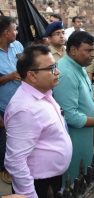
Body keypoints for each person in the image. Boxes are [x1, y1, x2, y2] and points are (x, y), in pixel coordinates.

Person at [4, 45, 72, 198]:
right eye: (51, 68)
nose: (58, 72)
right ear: (32, 76)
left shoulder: (44, 94)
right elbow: (15, 161)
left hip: (51, 178)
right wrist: (29, 195)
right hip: (37, 184)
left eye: (56, 66)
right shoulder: (25, 109)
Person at [53, 31, 94, 181]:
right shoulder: (66, 73)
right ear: (74, 50)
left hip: (84, 132)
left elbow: (86, 96)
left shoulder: (79, 66)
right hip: (73, 136)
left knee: (82, 174)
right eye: (89, 50)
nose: (93, 54)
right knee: (72, 179)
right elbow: (69, 115)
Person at [0, 16, 23, 185]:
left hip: (20, 103)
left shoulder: (18, 46)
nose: (17, 32)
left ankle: (15, 165)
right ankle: (4, 169)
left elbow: (24, 65)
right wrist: (8, 77)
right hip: (2, 106)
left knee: (17, 138)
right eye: (14, 29)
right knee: (4, 139)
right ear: (6, 33)